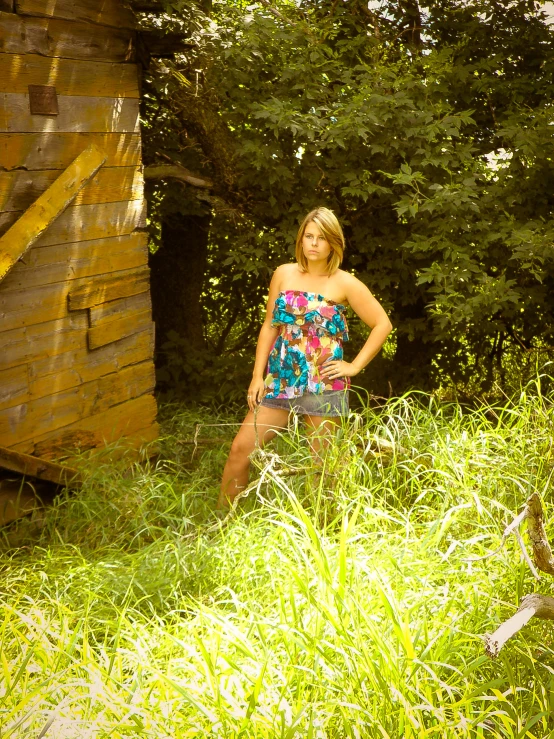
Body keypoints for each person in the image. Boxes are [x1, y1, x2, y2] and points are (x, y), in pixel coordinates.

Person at [217, 207, 392, 509]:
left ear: (333, 243)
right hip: (280, 379)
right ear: (300, 240)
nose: (313, 244)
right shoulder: (284, 274)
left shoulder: (345, 282)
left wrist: (355, 365)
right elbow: (270, 326)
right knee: (240, 450)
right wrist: (257, 376)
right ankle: (221, 523)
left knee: (324, 468)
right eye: (308, 237)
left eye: (321, 238)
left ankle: (325, 535)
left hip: (324, 384)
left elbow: (382, 324)